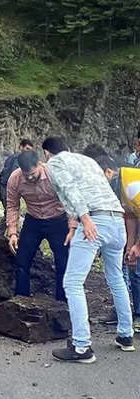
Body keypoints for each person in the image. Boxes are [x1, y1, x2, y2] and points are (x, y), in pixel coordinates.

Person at [43, 136, 134, 363]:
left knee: (72, 282)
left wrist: (84, 219)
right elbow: (94, 189)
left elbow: (69, 190)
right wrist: (73, 225)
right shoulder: (88, 161)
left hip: (94, 220)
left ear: (47, 153)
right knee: (116, 279)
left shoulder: (55, 163)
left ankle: (82, 347)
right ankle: (126, 335)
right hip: (116, 221)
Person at [5, 149, 68, 302]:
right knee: (22, 259)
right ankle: (21, 299)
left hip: (58, 220)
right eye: (27, 176)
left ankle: (63, 300)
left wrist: (72, 227)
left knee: (63, 261)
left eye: (33, 173)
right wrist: (12, 232)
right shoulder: (15, 178)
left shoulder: (55, 175)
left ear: (39, 164)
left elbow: (70, 200)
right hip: (33, 220)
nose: (31, 178)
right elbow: (12, 205)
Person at [95, 154, 140, 332]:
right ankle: (125, 312)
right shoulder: (120, 185)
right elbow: (129, 214)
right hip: (131, 222)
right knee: (128, 267)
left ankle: (138, 315)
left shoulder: (128, 182)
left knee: (137, 271)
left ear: (109, 171)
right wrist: (129, 245)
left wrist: (138, 245)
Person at [0, 138, 35, 236]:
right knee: (11, 212)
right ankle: (12, 235)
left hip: (4, 188)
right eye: (26, 148)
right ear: (21, 147)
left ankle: (1, 235)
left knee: (8, 212)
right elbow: (15, 174)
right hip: (8, 189)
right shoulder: (19, 159)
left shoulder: (11, 158)